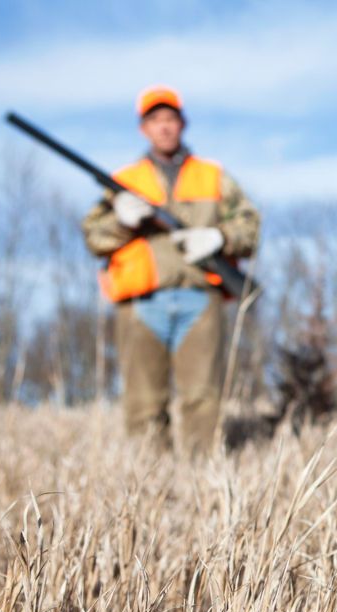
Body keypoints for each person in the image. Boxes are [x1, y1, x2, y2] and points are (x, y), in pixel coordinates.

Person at [82, 85, 260, 454]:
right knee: (143, 405)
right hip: (141, 303)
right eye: (155, 120)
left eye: (170, 119)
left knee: (203, 400)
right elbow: (93, 236)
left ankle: (201, 489)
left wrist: (218, 237)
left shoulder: (213, 176)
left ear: (182, 124)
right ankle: (151, 492)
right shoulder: (123, 182)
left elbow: (250, 226)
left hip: (200, 299)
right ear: (142, 129)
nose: (163, 127)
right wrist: (121, 220)